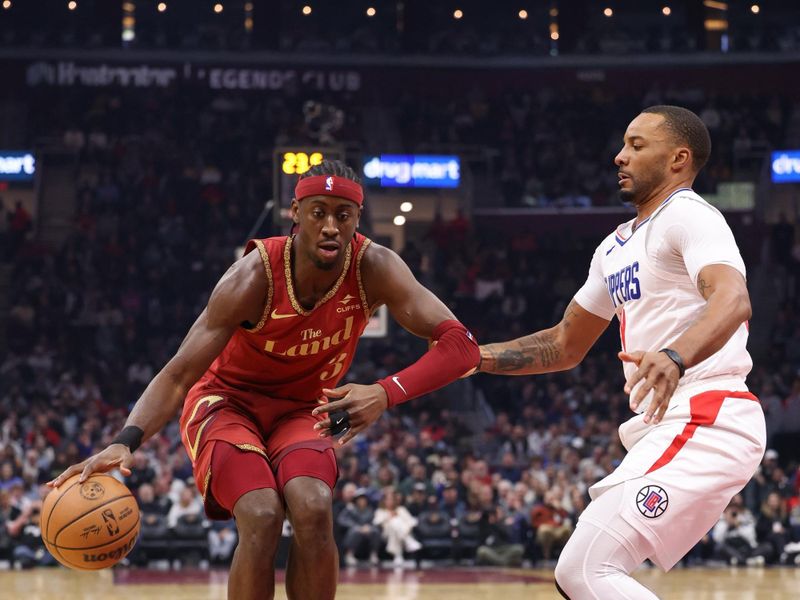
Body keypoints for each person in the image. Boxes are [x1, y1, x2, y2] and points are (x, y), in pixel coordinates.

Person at [49, 160, 479, 600]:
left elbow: (461, 346)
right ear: (295, 212)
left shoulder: (376, 267)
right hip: (227, 403)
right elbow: (179, 374)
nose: (330, 226)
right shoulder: (253, 275)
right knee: (260, 512)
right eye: (318, 212)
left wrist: (385, 393)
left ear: (357, 219)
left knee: (313, 507)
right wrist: (126, 439)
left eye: (342, 215)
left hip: (303, 408)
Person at [475, 106, 766, 598]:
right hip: (669, 421)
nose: (619, 156)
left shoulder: (690, 215)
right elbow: (564, 345)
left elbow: (733, 298)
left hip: (707, 413)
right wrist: (471, 357)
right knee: (585, 572)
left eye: (636, 145)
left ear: (678, 158)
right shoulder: (614, 246)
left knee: (585, 570)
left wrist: (674, 354)